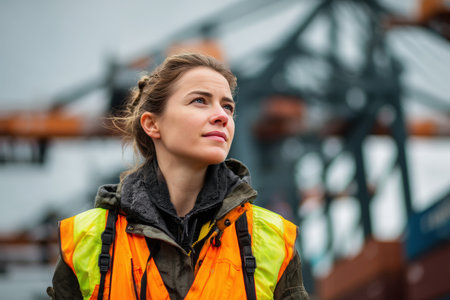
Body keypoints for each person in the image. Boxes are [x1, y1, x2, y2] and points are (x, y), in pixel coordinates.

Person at [47, 53, 309, 300]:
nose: (221, 116)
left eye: (227, 107)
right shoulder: (84, 240)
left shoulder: (274, 239)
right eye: (199, 101)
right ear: (152, 124)